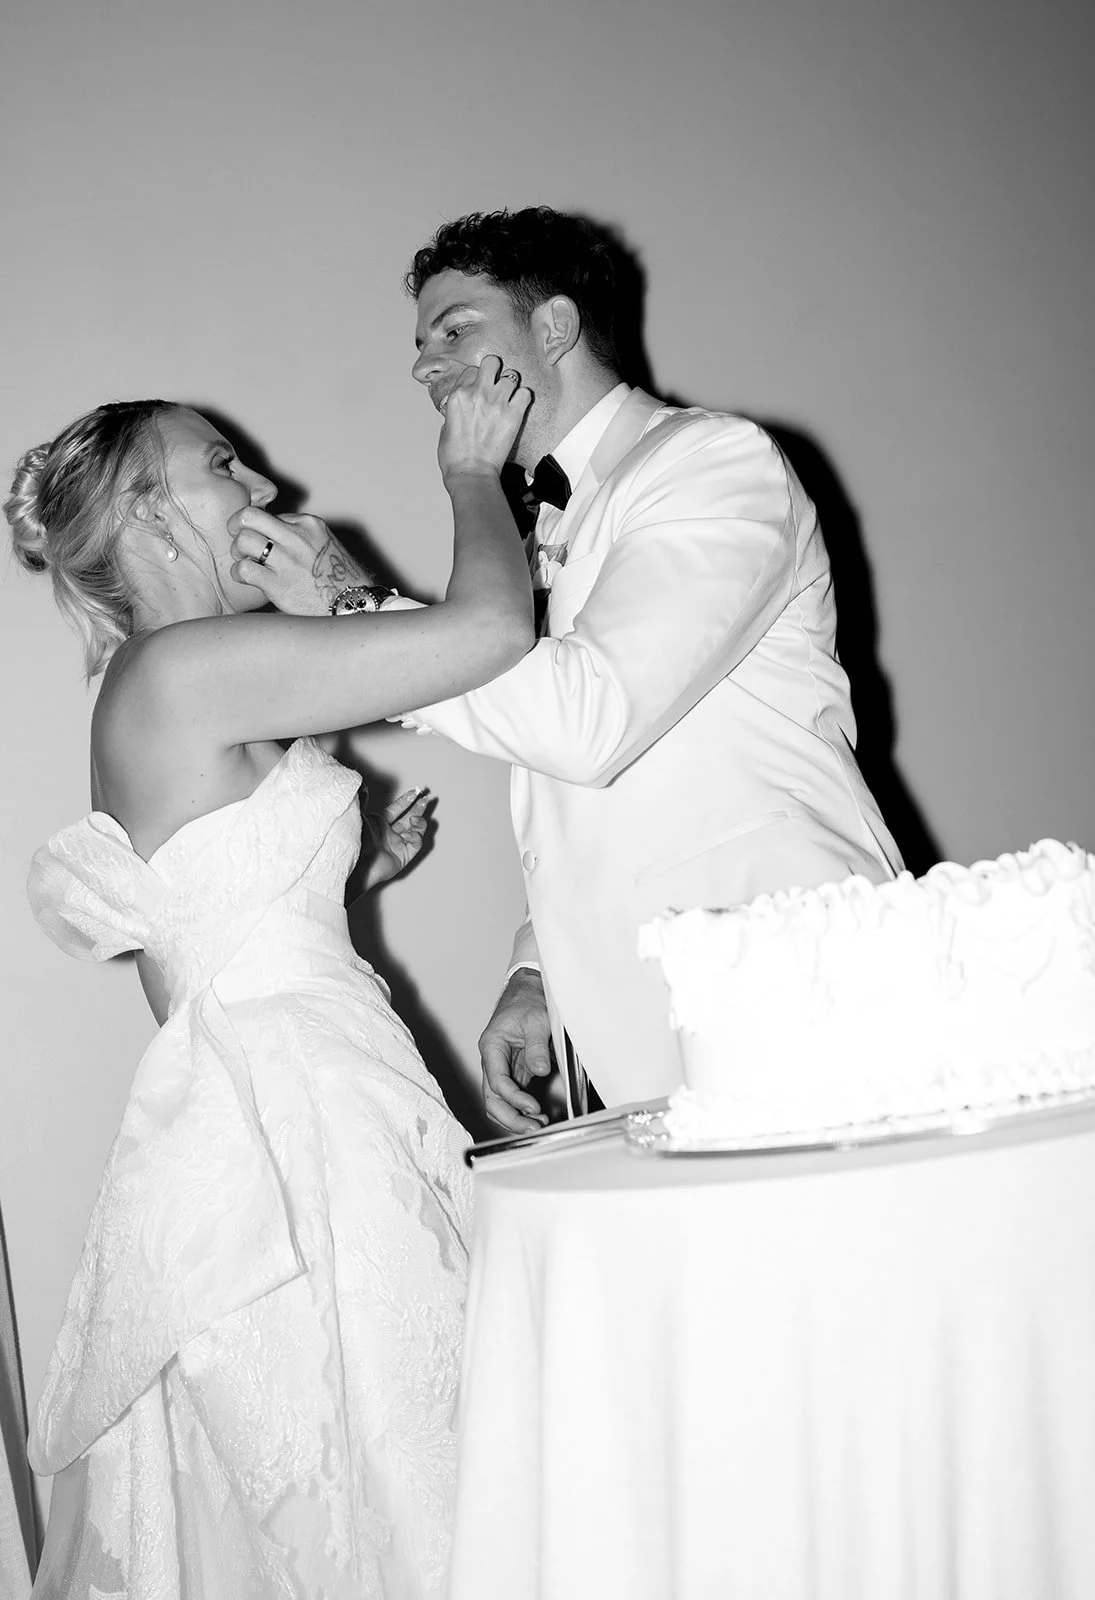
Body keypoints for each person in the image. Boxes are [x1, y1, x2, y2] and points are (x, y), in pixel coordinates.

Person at [5, 362, 534, 1599]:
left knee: (363, 1453)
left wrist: (344, 880)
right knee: (400, 1457)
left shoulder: (178, 676)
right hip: (303, 1119)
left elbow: (209, 927)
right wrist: (470, 473)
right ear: (147, 513)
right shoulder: (187, 665)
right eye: (222, 465)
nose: (265, 484)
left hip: (301, 1081)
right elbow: (495, 638)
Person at [250, 207, 905, 1134]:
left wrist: (358, 606)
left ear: (552, 328)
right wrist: (537, 969)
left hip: (786, 969)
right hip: (640, 1017)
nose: (424, 365)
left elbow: (588, 722)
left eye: (456, 328)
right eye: (420, 341)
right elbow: (579, 799)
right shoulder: (537, 529)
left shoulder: (712, 464)